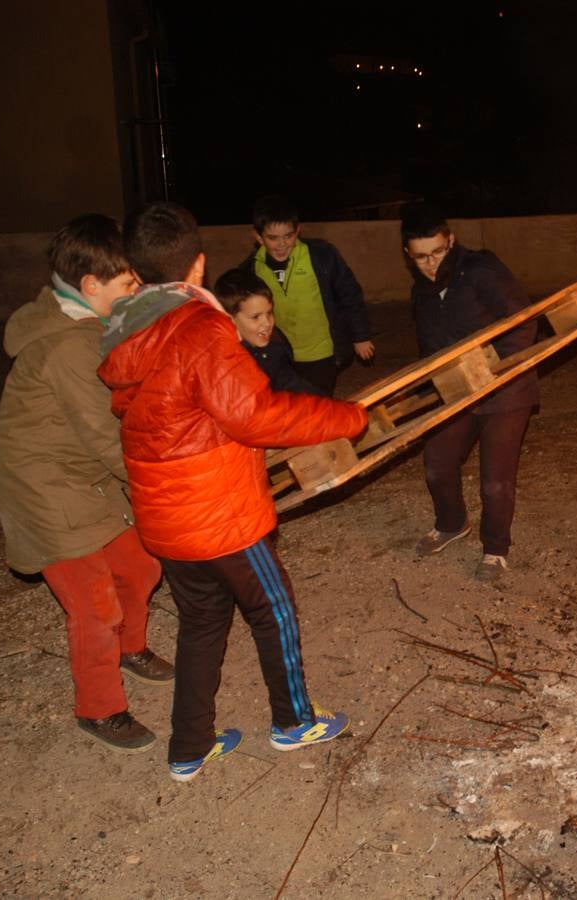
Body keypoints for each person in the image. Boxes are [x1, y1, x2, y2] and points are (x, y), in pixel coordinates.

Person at [98, 201, 369, 782]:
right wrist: (344, 418)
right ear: (197, 266)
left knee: (200, 624)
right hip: (217, 515)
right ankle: (294, 721)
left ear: (139, 271)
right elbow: (256, 415)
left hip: (165, 519)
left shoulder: (131, 333)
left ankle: (189, 747)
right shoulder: (199, 327)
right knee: (274, 610)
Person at [0, 213, 172, 754]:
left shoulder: (91, 322)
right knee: (95, 606)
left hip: (80, 475)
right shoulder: (68, 347)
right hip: (44, 489)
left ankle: (129, 648)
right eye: (128, 284)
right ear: (91, 286)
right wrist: (162, 486)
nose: (136, 291)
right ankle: (99, 708)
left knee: (140, 565)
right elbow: (106, 438)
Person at [401, 203, 539, 583]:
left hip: (505, 390)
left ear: (451, 240)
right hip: (457, 392)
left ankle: (495, 548)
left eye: (437, 252)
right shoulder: (422, 290)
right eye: (420, 257)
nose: (430, 263)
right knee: (437, 463)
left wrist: (495, 369)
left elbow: (523, 323)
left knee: (496, 478)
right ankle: (451, 523)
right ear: (408, 255)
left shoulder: (482, 270)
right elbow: (429, 346)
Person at [240, 194, 375, 396]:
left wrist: (360, 336)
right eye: (273, 238)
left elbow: (350, 295)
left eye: (288, 236)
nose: (282, 244)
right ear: (258, 237)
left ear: (298, 231)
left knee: (318, 406)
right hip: (281, 355)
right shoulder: (250, 270)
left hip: (322, 353)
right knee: (292, 409)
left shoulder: (322, 255)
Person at [213, 269, 324, 396]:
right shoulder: (223, 362)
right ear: (228, 319)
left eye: (269, 313)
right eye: (255, 317)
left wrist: (331, 406)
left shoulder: (274, 345)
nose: (267, 323)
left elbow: (290, 383)